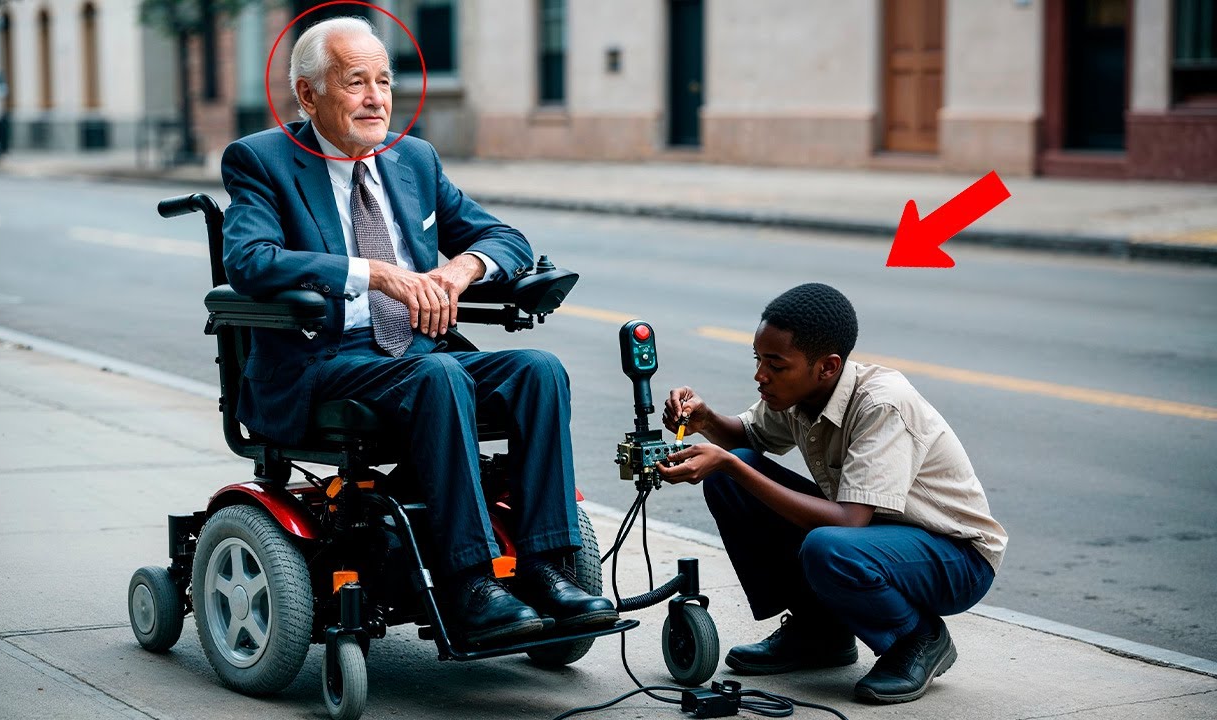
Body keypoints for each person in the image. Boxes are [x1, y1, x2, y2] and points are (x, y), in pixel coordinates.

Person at [219, 16, 616, 646]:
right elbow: (250, 260)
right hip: (322, 363)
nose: (377, 97)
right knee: (438, 375)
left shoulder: (413, 159)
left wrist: (458, 273)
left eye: (384, 80)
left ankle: (546, 566)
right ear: (308, 95)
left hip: (420, 357)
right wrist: (374, 274)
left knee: (537, 368)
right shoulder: (261, 161)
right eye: (356, 82)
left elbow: (505, 239)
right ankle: (469, 583)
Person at [657, 283, 1006, 704]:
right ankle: (820, 632)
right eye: (758, 359)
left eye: (776, 365)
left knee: (826, 544)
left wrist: (727, 461)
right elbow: (746, 436)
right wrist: (706, 419)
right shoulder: (799, 392)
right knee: (733, 477)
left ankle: (918, 638)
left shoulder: (881, 404)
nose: (759, 375)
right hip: (873, 540)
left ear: (827, 366)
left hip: (956, 559)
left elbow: (848, 522)